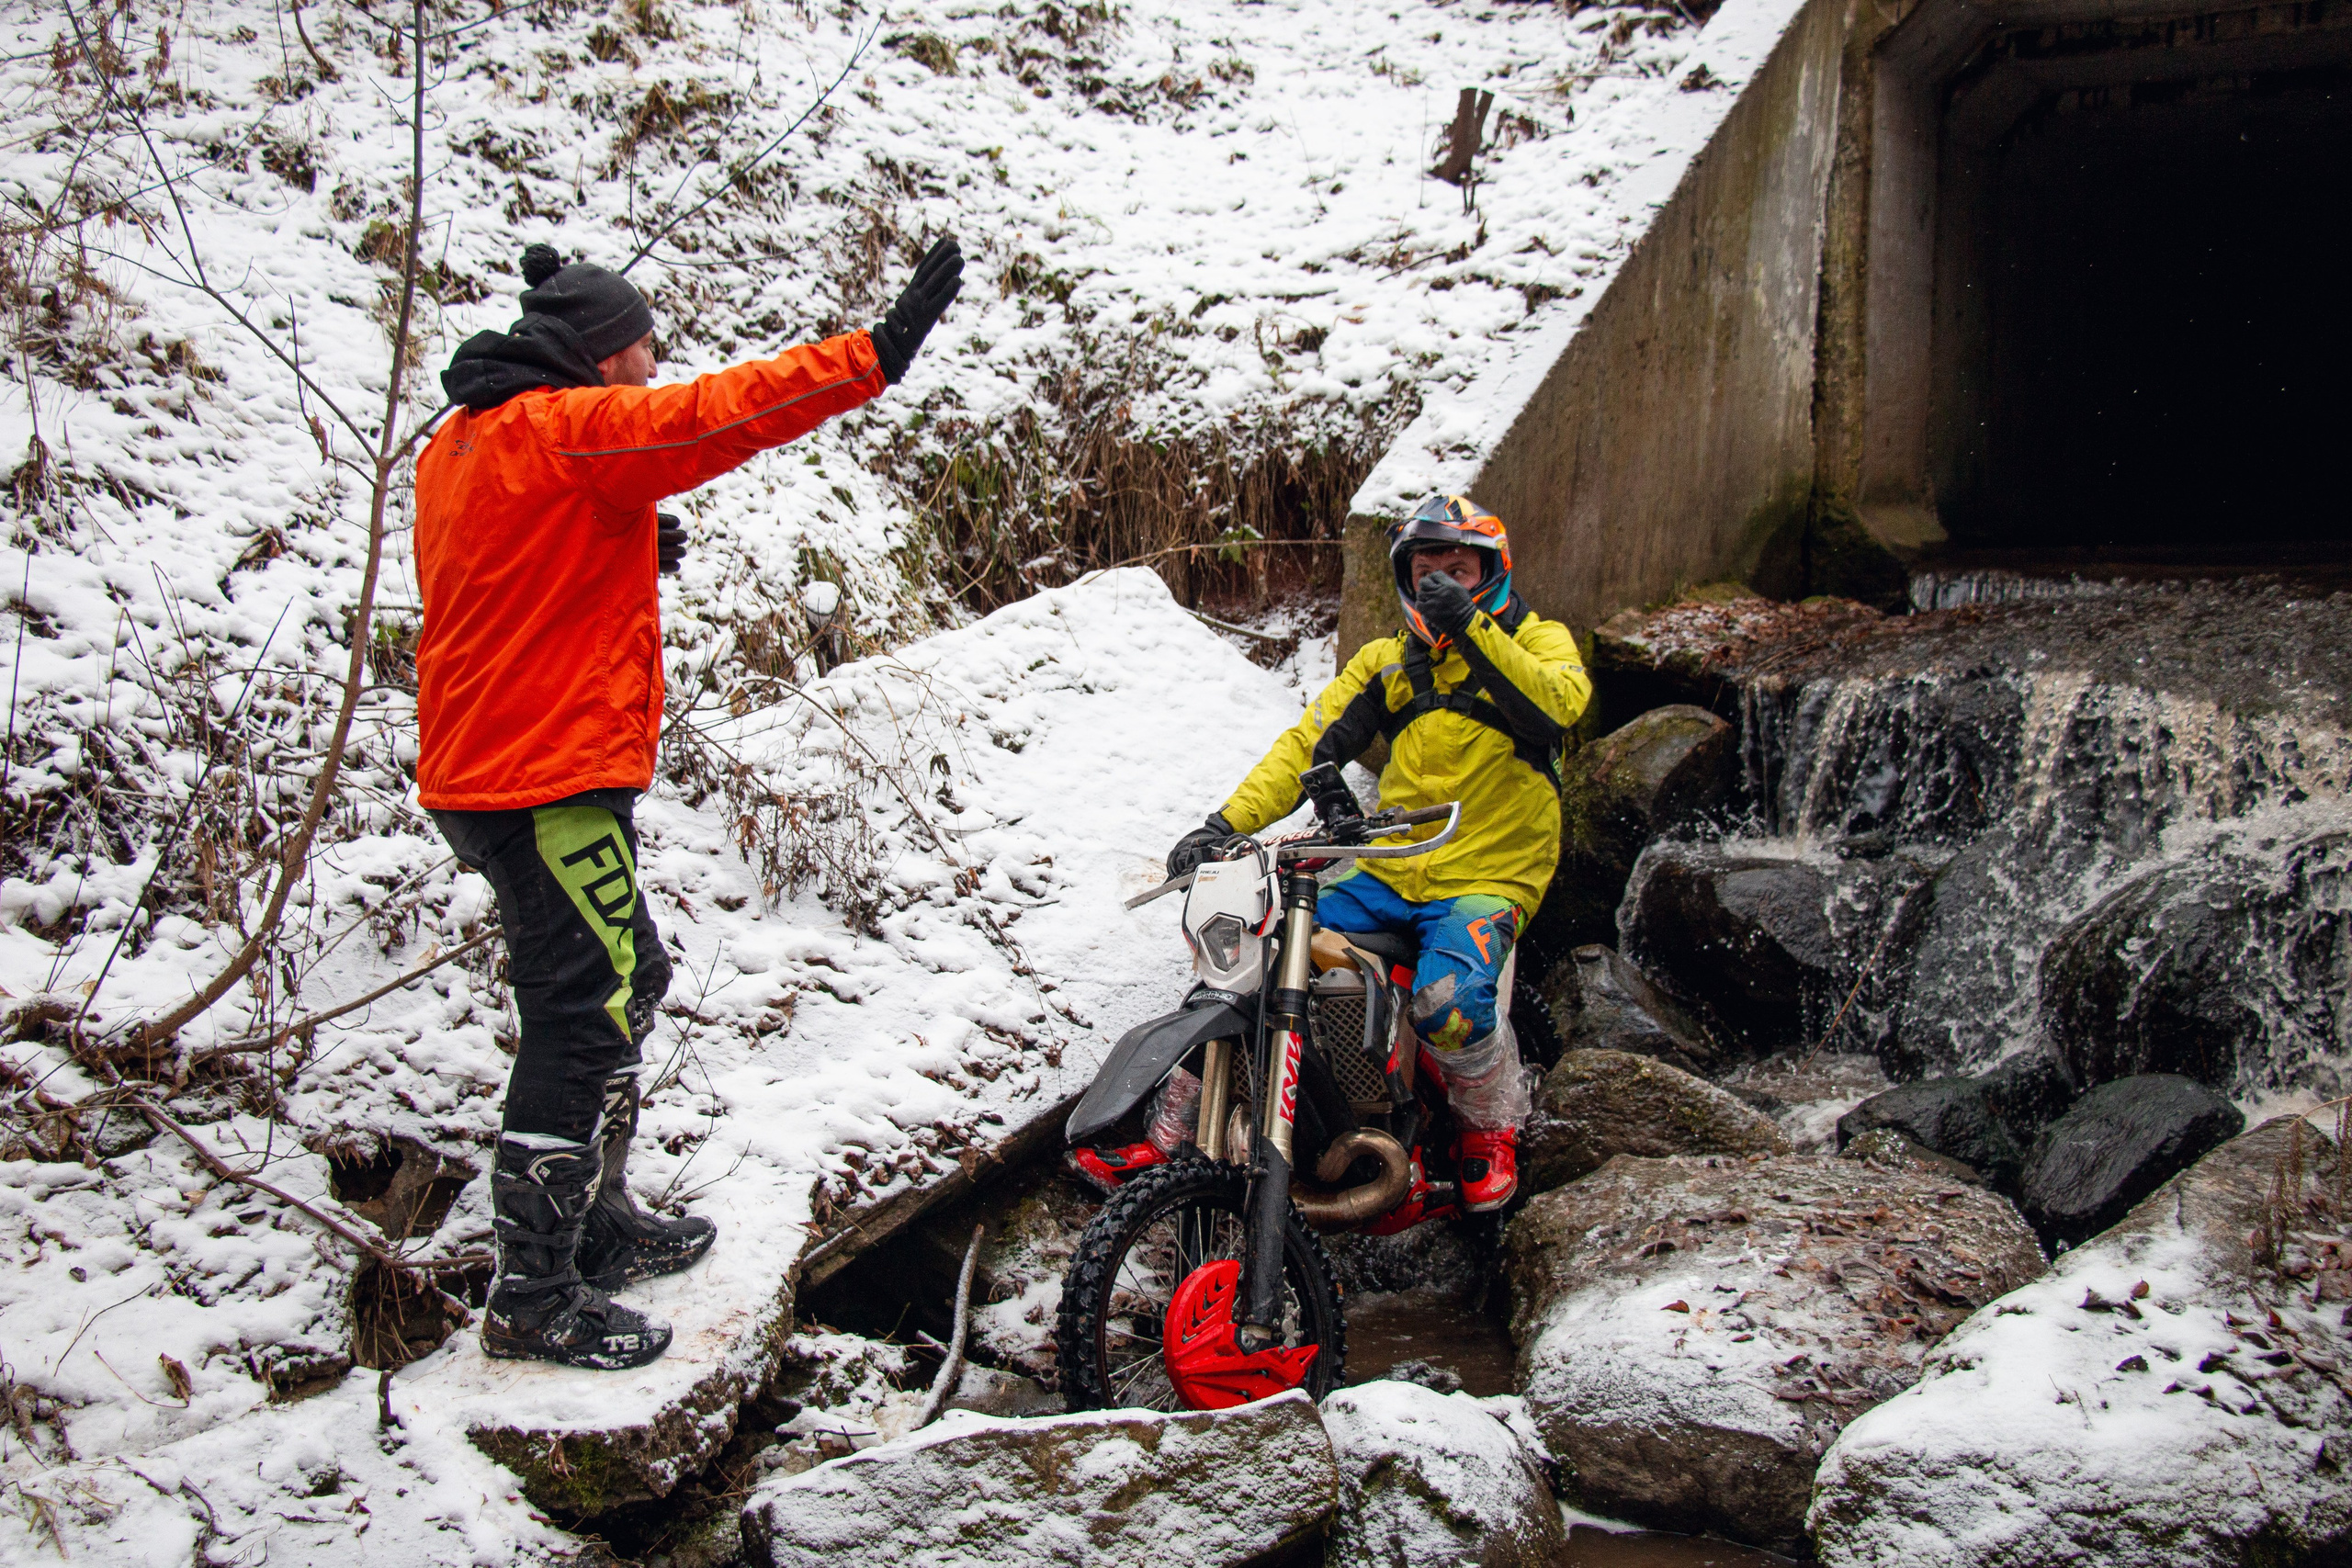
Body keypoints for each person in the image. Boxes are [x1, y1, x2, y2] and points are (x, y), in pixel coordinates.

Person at [413, 236, 963, 1369]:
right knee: (586, 1009)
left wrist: (604, 540)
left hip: (495, 764)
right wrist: (876, 354)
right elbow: (716, 415)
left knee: (630, 981)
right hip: (541, 776)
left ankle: (595, 1226)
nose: (654, 369)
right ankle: (532, 1294)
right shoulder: (568, 427)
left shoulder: (464, 441)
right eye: (644, 352)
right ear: (606, 357)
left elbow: (492, 563)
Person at [1075, 494, 1590, 1212]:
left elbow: (1559, 704)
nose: (1442, 580)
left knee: (1449, 1000)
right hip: (1391, 865)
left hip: (1487, 873)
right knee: (1251, 960)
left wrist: (1471, 628)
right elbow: (1306, 745)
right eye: (1428, 569)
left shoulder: (1540, 642)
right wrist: (1223, 822)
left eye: (1460, 568)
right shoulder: (1389, 662)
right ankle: (1175, 1136)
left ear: (1490, 573)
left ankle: (1491, 1128)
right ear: (1406, 580)